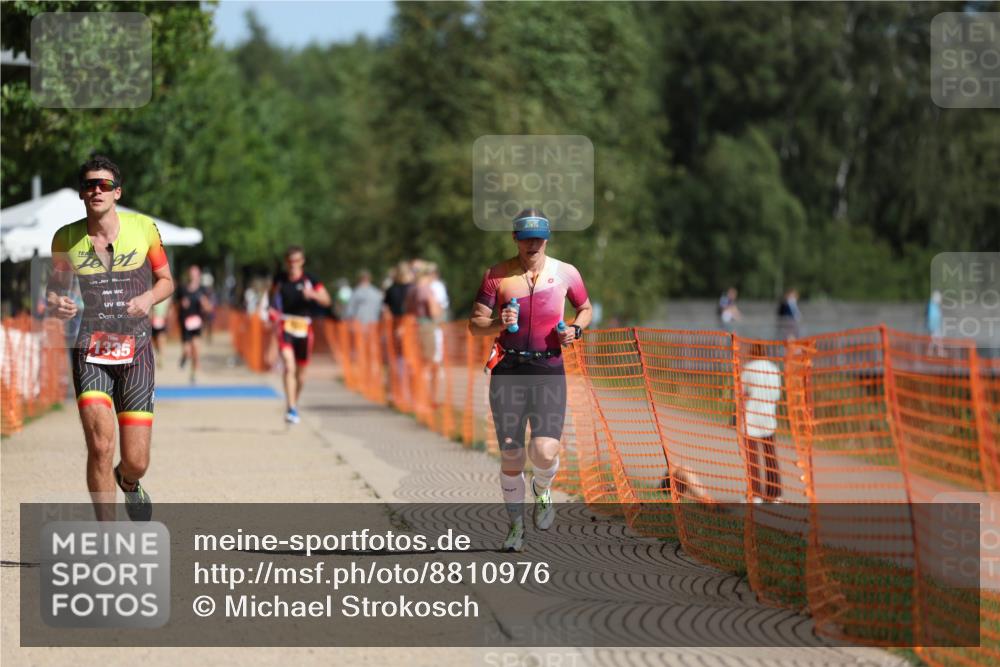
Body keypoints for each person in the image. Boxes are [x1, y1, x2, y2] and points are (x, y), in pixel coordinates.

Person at [46, 155, 174, 521]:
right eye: (89, 185)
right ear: (81, 193)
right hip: (91, 350)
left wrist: (148, 298)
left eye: (103, 185)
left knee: (136, 460)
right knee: (100, 444)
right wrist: (60, 304)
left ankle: (128, 482)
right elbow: (54, 293)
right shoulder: (66, 238)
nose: (96, 190)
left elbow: (166, 281)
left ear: (117, 192)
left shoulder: (143, 228)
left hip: (137, 352)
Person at [469, 209, 592, 551]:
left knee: (544, 449)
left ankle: (543, 487)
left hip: (548, 368)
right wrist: (497, 322)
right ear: (515, 239)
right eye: (525, 238)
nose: (532, 244)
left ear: (547, 238)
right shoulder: (497, 276)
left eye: (538, 238)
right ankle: (515, 527)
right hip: (508, 370)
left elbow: (585, 308)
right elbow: (474, 323)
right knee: (511, 454)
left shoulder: (566, 273)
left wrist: (576, 330)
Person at [269, 245, 332, 424]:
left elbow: (327, 300)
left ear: (302, 261)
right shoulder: (280, 279)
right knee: (289, 366)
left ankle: (293, 402)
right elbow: (271, 298)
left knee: (302, 375)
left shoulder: (310, 279)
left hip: (304, 327)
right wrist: (272, 311)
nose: (293, 265)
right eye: (290, 262)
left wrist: (312, 294)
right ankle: (291, 407)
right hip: (285, 325)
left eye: (296, 261)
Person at [740, 343, 783, 503]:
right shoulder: (774, 369)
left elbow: (741, 392)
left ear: (752, 352)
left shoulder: (749, 368)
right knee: (770, 456)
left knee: (752, 458)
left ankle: (755, 494)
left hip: (751, 417)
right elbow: (777, 394)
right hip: (768, 416)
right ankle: (775, 494)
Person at [176, 264, 213, 384]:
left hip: (196, 324)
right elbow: (176, 305)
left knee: (196, 349)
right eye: (191, 273)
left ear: (199, 275)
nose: (193, 276)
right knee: (187, 350)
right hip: (185, 324)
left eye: (195, 273)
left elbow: (209, 308)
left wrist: (204, 303)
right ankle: (184, 357)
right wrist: (182, 305)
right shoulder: (183, 289)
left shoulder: (202, 290)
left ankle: (193, 373)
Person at [149, 296, 170, 368]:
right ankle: (158, 353)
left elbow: (169, 310)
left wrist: (166, 318)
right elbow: (150, 310)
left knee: (161, 341)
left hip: (162, 322)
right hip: (154, 322)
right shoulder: (153, 298)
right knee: (155, 342)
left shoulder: (166, 299)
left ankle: (161, 358)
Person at [927, 289, 944, 356]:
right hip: (934, 326)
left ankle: (932, 352)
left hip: (934, 325)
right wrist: (933, 326)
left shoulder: (933, 305)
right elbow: (933, 316)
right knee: (936, 339)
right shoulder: (933, 306)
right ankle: (938, 352)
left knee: (934, 339)